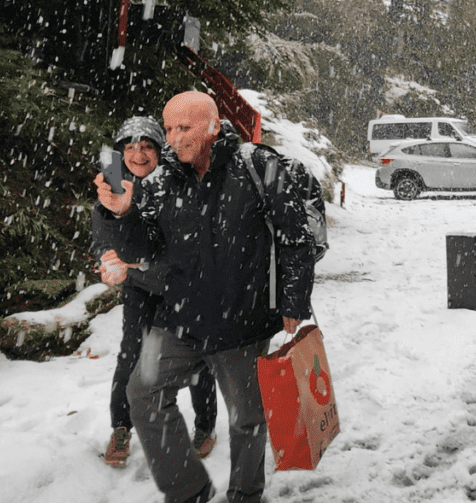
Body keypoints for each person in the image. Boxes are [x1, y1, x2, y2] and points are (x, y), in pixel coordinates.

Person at [93, 92, 316, 503]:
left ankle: (246, 495)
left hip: (243, 322)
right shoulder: (160, 182)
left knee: (247, 420)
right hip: (180, 319)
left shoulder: (257, 167)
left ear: (213, 126)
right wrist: (122, 213)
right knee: (142, 395)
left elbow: (295, 239)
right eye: (170, 128)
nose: (174, 138)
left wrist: (293, 302)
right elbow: (143, 250)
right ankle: (187, 491)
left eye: (185, 128)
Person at [90, 116, 218, 468]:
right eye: (129, 147)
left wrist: (142, 262)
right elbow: (101, 229)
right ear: (120, 153)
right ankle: (121, 428)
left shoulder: (179, 182)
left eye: (147, 146)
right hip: (141, 291)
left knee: (196, 359)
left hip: (183, 286)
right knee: (131, 355)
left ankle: (205, 426)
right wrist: (107, 256)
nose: (138, 154)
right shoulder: (114, 182)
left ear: (160, 150)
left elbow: (179, 241)